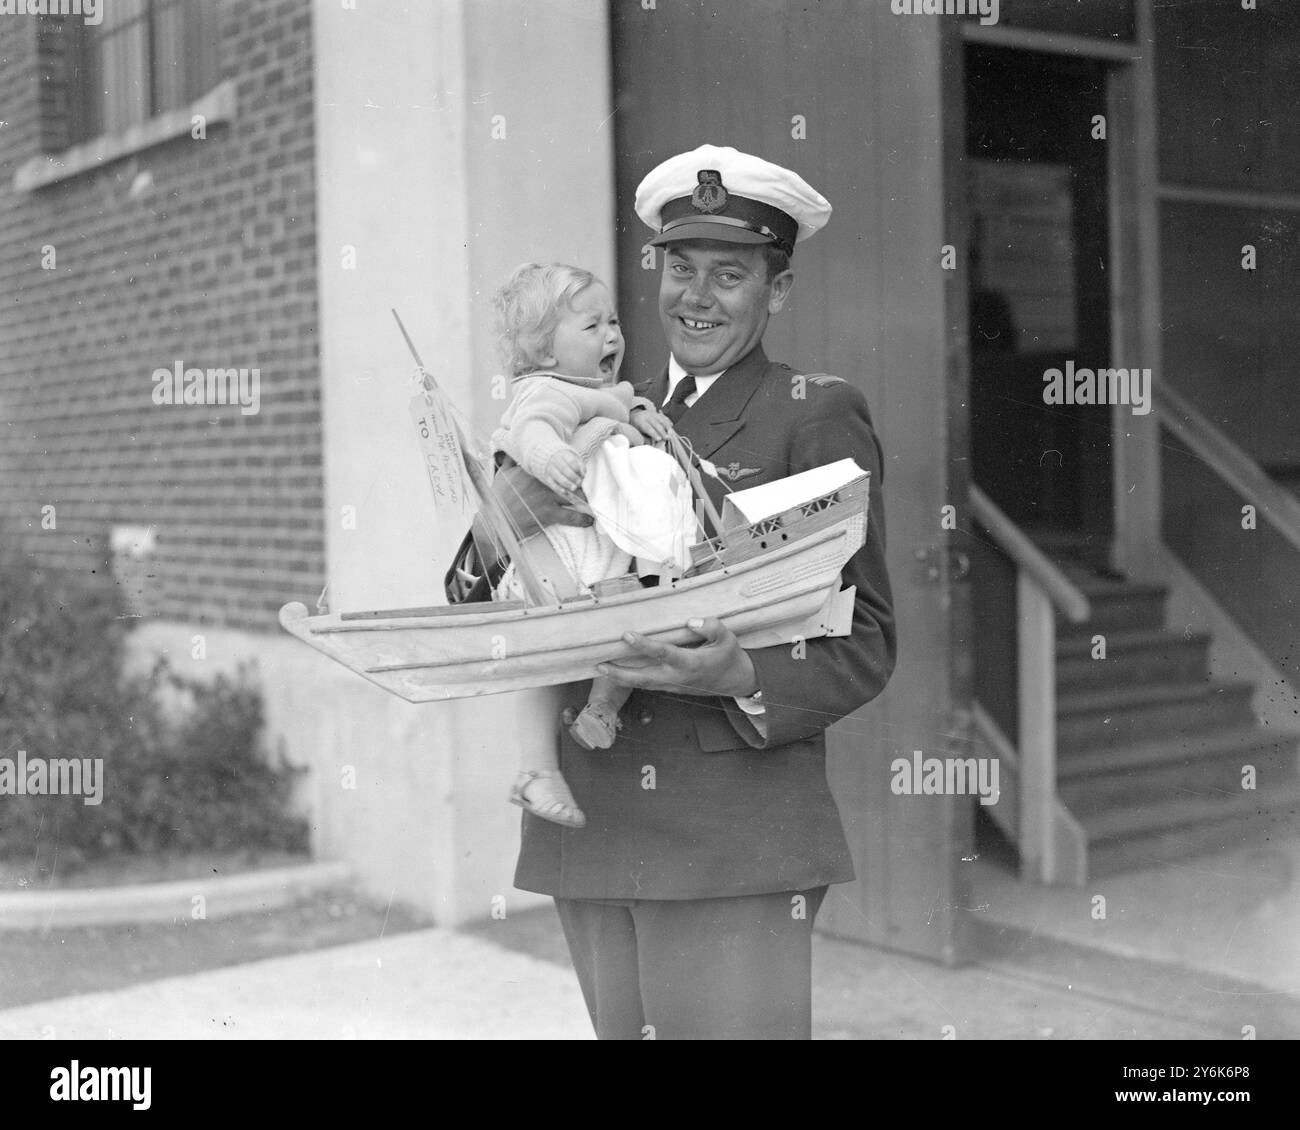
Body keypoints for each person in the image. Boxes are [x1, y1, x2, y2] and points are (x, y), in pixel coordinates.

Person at [445, 144, 896, 1039]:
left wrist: (740, 676)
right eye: (678, 267)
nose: (695, 295)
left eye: (729, 274)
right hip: (596, 823)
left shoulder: (813, 410)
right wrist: (507, 509)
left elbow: (869, 637)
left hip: (730, 837)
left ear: (778, 292)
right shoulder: (590, 409)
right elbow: (469, 596)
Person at [487, 262, 678, 828]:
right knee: (548, 658)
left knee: (627, 622)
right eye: (592, 327)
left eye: (614, 321)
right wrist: (550, 457)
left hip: (594, 555)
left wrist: (639, 410)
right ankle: (536, 769)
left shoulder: (592, 390)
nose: (613, 336)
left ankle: (601, 709)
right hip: (556, 556)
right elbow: (532, 431)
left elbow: (616, 402)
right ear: (544, 353)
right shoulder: (545, 392)